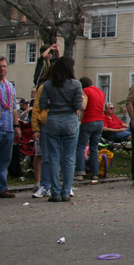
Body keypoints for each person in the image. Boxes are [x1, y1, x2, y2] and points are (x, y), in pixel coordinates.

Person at [38, 57, 83, 201]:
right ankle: (66, 191)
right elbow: (78, 106)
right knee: (69, 158)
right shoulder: (76, 84)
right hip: (70, 120)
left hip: (53, 120)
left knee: (53, 157)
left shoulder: (49, 84)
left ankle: (55, 192)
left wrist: (54, 104)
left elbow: (42, 104)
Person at [0, 56, 22, 198]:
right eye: (0, 66)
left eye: (4, 66)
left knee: (5, 159)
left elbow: (13, 107)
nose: (2, 69)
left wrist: (16, 125)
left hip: (8, 128)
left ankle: (1, 188)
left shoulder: (9, 86)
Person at [75, 77, 105, 183]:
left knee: (81, 147)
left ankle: (80, 171)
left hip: (88, 120)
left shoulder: (85, 91)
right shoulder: (101, 91)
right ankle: (94, 173)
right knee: (94, 148)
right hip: (100, 121)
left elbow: (83, 106)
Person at [30, 69, 53, 198]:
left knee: (61, 157)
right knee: (45, 156)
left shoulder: (68, 85)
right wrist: (36, 128)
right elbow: (36, 109)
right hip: (45, 123)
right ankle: (45, 185)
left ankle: (58, 185)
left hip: (60, 123)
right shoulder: (43, 87)